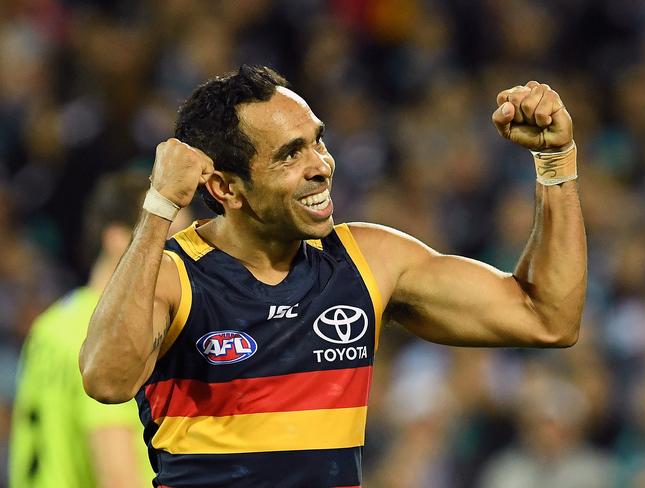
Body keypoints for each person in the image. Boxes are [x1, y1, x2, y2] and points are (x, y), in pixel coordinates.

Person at [79, 65, 587, 488]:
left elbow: (548, 318)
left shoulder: (368, 261)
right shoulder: (174, 274)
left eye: (317, 142)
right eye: (289, 155)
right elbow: (106, 380)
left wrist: (555, 162)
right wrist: (158, 209)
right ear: (227, 189)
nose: (321, 165)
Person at [9, 170, 158, 488]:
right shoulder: (112, 336)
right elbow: (118, 477)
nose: (179, 253)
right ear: (118, 238)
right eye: (166, 235)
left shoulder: (51, 324)